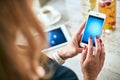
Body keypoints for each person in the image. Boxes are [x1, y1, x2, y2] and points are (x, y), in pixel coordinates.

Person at [0, 0, 105, 80]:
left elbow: (38, 66)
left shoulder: (8, 50)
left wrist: (60, 55)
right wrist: (90, 76)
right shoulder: (64, 77)